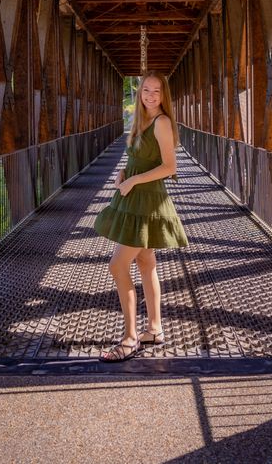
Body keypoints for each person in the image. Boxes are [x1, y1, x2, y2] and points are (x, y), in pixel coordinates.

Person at [94, 70, 188, 361]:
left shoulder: (161, 123)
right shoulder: (141, 120)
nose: (150, 95)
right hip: (135, 196)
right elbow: (139, 157)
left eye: (156, 91)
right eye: (146, 90)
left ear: (164, 96)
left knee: (117, 265)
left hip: (146, 201)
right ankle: (155, 329)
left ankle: (130, 338)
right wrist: (124, 172)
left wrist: (133, 181)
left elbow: (169, 167)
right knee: (146, 262)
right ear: (139, 92)